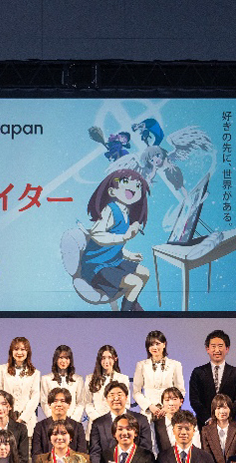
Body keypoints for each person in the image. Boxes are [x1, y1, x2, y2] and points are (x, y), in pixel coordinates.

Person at [79, 169, 151, 312]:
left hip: (113, 261)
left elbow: (114, 246)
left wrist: (129, 255)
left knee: (145, 273)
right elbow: (97, 234)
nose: (133, 187)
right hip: (96, 266)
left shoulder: (126, 214)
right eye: (125, 182)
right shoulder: (110, 210)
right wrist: (124, 237)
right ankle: (125, 314)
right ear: (112, 191)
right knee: (135, 282)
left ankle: (131, 303)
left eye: (138, 186)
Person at [88, 381, 152, 463]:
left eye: (119, 394)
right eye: (112, 395)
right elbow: (95, 452)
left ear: (126, 397)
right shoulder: (98, 423)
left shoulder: (141, 419)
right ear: (106, 399)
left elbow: (146, 448)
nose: (116, 398)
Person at [189, 330, 236, 427]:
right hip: (204, 425)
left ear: (227, 349)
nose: (217, 350)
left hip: (229, 424)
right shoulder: (198, 372)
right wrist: (208, 419)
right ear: (207, 349)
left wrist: (227, 417)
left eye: (220, 346)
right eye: (213, 346)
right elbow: (194, 400)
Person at [132, 331, 185, 432]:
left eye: (157, 344)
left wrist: (167, 407)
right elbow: (136, 392)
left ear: (164, 344)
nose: (155, 347)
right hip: (148, 413)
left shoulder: (175, 365)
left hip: (169, 413)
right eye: (151, 344)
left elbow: (180, 391)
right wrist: (150, 406)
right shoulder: (141, 365)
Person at [0, 337, 41, 437]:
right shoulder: (1, 370)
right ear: (11, 351)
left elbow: (35, 397)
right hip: (5, 420)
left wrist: (22, 418)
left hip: (27, 422)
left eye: (23, 349)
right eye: (16, 349)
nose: (19, 352)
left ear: (28, 352)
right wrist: (7, 415)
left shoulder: (35, 373)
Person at [82, 345, 131, 433]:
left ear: (115, 359)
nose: (106, 361)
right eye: (103, 358)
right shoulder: (90, 378)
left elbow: (126, 404)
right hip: (96, 423)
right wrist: (98, 418)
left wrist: (113, 418)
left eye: (109, 357)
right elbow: (87, 402)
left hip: (116, 424)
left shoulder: (123, 378)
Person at [32, 388, 87, 457]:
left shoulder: (77, 427)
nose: (59, 404)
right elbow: (36, 455)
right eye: (55, 401)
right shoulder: (40, 427)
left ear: (69, 405)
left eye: (63, 401)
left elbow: (81, 454)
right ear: (49, 405)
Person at [39, 345, 86, 422]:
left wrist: (73, 420)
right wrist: (54, 418)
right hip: (53, 422)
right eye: (60, 358)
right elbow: (44, 402)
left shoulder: (78, 379)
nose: (63, 361)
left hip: (73, 422)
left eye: (66, 358)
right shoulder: (46, 379)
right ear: (56, 359)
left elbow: (81, 402)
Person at [151, 386, 202, 454]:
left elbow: (197, 446)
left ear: (181, 402)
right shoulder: (156, 425)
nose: (171, 403)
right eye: (167, 400)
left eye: (174, 399)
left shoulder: (190, 421)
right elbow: (154, 449)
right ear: (162, 403)